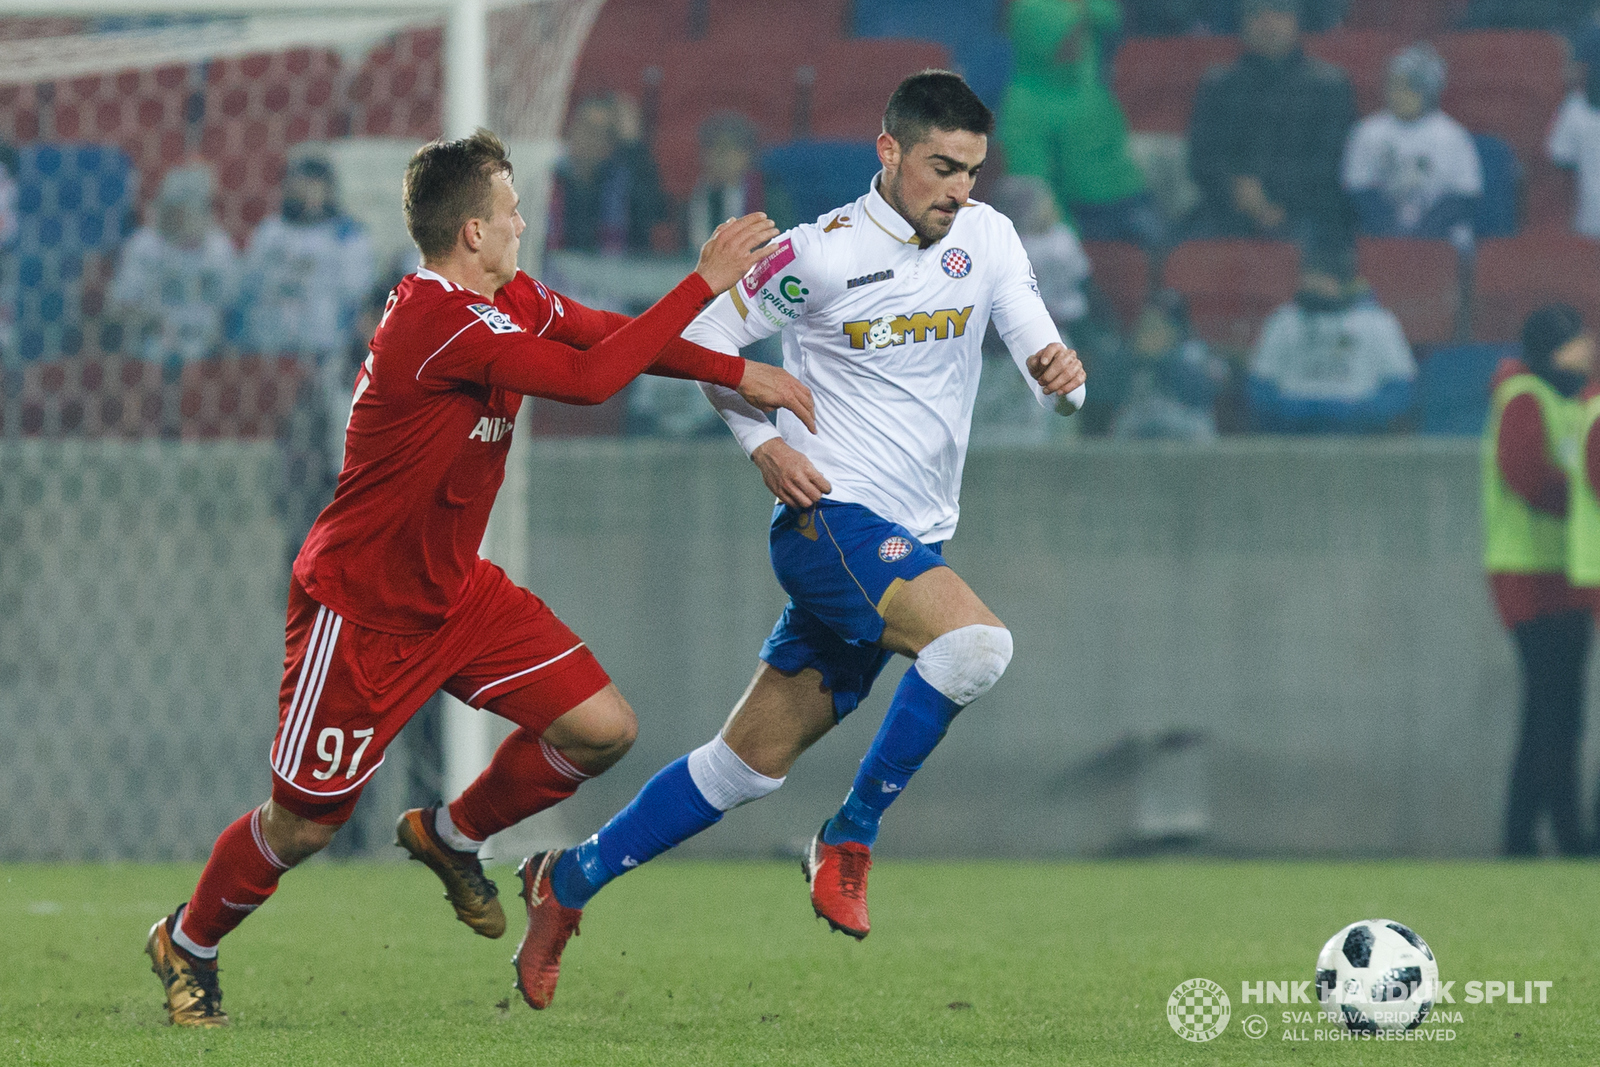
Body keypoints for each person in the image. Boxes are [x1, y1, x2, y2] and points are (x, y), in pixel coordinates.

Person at [143, 129, 814, 1028]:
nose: (522, 224)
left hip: (456, 592)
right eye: (509, 211)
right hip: (363, 611)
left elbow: (604, 335)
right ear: (471, 234)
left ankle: (454, 837)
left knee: (601, 729)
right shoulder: (437, 322)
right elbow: (586, 381)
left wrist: (737, 370)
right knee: (304, 823)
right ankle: (187, 943)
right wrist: (702, 283)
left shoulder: (508, 299)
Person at [505, 70, 1087, 1011]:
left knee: (742, 767)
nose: (959, 191)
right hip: (829, 522)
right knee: (976, 643)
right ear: (888, 152)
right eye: (942, 167)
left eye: (973, 172)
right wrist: (763, 442)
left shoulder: (986, 236)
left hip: (904, 537)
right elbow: (703, 342)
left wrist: (1058, 376)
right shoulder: (818, 255)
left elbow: (1035, 341)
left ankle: (564, 882)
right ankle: (849, 837)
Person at [1485, 306, 1593, 856]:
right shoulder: (1527, 397)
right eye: (1578, 342)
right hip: (1533, 573)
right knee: (1552, 712)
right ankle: (1548, 833)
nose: (1588, 350)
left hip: (1555, 573)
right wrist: (1583, 499)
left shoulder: (1550, 398)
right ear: (1554, 348)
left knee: (1553, 712)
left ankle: (1532, 833)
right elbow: (1527, 475)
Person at [238, 155, 376, 553]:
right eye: (299, 183)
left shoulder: (348, 236)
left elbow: (360, 303)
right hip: (270, 358)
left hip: (326, 361)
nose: (307, 193)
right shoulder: (269, 234)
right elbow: (249, 291)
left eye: (315, 184)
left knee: (328, 452)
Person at [1186, 0, 1355, 247]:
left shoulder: (1329, 86)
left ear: (1296, 20)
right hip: (1227, 208)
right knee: (1185, 260)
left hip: (1306, 213)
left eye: (1278, 12)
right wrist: (1236, 189)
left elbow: (1331, 163)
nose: (1267, 22)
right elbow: (1201, 158)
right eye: (1255, 14)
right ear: (1242, 24)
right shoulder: (1218, 85)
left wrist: (1276, 202)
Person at [999, 0, 1165, 247]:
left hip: (1128, 201)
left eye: (1080, 31)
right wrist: (1068, 238)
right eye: (1065, 34)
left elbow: (1109, 13)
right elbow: (1036, 190)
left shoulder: (1087, 81)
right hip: (1079, 217)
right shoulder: (1023, 106)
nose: (1077, 40)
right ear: (1039, 37)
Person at [1246, 243, 1415, 433]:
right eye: (1308, 279)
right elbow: (1260, 386)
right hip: (1293, 433)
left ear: (1343, 284)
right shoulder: (1284, 320)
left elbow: (1400, 388)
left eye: (1322, 280)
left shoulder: (1378, 322)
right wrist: (1294, 410)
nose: (1312, 286)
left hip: (1357, 433)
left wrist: (1357, 412)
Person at [1342, 44, 1483, 249]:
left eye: (1409, 87)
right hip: (1380, 233)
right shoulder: (1367, 132)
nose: (1398, 94)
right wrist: (1390, 229)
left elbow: (1464, 196)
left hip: (1438, 236)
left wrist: (1422, 234)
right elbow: (1359, 188)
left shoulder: (1453, 136)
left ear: (1428, 91)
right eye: (1394, 85)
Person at [107, 163, 239, 364]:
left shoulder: (219, 248)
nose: (178, 216)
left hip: (205, 355)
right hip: (150, 354)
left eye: (188, 207)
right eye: (173, 207)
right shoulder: (144, 244)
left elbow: (230, 307)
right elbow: (120, 306)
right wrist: (153, 320)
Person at [547, 94, 669, 255]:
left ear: (611, 145)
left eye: (599, 133)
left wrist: (633, 143)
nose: (588, 139)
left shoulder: (619, 187)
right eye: (584, 127)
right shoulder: (547, 179)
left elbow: (655, 214)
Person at [1113, 288, 1228, 439]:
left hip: (1183, 415)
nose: (1157, 323)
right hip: (1143, 414)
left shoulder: (1193, 350)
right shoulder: (1134, 347)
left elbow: (1220, 379)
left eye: (1165, 317)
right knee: (1121, 427)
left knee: (1202, 431)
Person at [1548, 58, 1600, 239]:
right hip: (1591, 224)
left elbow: (1559, 157)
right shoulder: (1574, 108)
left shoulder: (1573, 108)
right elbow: (1558, 158)